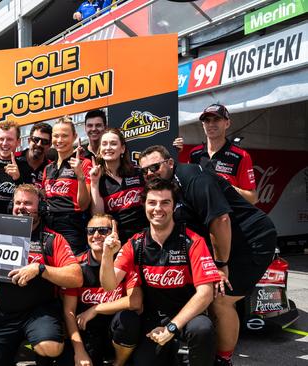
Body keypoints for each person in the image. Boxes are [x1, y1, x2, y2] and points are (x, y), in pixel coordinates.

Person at [138, 146, 277, 365]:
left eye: (154, 167)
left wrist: (221, 265)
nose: (149, 174)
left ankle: (224, 360)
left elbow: (220, 220)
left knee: (221, 299)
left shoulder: (192, 177)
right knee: (208, 293)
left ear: (170, 163)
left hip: (251, 238)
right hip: (226, 241)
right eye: (144, 171)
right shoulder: (168, 188)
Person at [100, 178, 220, 365]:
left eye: (165, 202)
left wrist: (172, 328)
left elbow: (205, 294)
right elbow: (108, 286)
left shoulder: (193, 241)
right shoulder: (135, 243)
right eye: (152, 202)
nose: (158, 208)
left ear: (174, 206)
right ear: (144, 205)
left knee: (202, 328)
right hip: (153, 320)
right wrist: (107, 255)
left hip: (188, 317)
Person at [0, 184, 83, 365]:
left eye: (28, 203)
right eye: (17, 203)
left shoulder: (53, 239)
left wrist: (40, 269)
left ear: (40, 208)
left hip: (40, 312)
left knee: (50, 347)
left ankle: (36, 349)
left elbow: (76, 277)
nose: (21, 207)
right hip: (5, 312)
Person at [62, 214, 141, 366]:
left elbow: (136, 301)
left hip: (117, 332)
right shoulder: (77, 265)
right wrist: (79, 351)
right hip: (88, 332)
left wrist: (96, 308)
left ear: (114, 233)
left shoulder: (124, 261)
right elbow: (69, 311)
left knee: (129, 320)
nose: (96, 235)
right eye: (91, 231)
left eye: (103, 230)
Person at [188, 103, 258, 204]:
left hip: (228, 217)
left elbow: (253, 199)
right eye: (207, 120)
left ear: (227, 124)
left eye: (216, 119)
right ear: (203, 125)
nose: (211, 124)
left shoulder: (241, 156)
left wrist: (228, 187)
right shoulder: (194, 154)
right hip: (200, 217)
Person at [42, 116, 92, 255]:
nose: (59, 140)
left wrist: (80, 177)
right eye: (56, 136)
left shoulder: (84, 163)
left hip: (72, 225)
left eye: (64, 136)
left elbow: (84, 205)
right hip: (48, 225)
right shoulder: (48, 168)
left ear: (75, 136)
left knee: (73, 268)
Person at [89, 128, 148, 243]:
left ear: (122, 149)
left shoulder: (138, 173)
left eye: (113, 143)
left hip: (144, 236)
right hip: (117, 240)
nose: (108, 147)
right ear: (100, 149)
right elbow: (98, 216)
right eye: (104, 144)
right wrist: (94, 183)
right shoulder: (98, 178)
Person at [0, 120, 31, 214]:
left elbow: (30, 201)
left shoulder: (25, 167)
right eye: (1, 139)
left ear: (18, 142)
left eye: (9, 139)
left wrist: (18, 179)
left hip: (13, 223)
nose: (4, 143)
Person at [16, 122, 52, 189]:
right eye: (36, 139)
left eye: (44, 141)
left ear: (49, 145)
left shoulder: (52, 168)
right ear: (29, 141)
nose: (39, 144)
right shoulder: (14, 159)